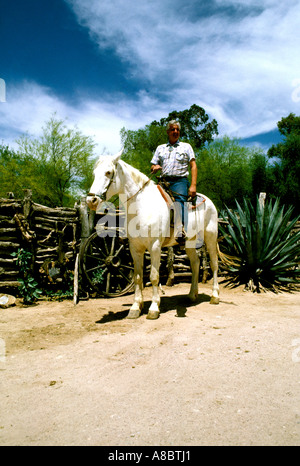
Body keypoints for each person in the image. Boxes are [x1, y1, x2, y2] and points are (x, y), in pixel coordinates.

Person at [150, 120, 197, 244]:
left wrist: (193, 185)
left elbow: (193, 166)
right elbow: (153, 165)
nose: (175, 132)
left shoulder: (186, 147)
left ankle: (180, 230)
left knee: (179, 201)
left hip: (179, 181)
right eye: (172, 129)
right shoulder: (160, 148)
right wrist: (154, 167)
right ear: (168, 132)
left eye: (177, 129)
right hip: (163, 181)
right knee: (148, 198)